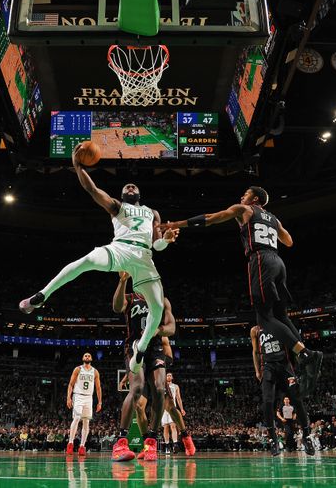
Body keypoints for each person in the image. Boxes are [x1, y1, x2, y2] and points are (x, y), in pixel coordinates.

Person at [20, 143, 179, 374]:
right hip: (120, 249)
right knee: (86, 261)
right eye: (127, 186)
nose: (131, 186)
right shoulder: (117, 206)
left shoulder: (152, 212)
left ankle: (140, 350)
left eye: (134, 185)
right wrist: (76, 165)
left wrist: (165, 239)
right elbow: (93, 190)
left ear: (139, 194)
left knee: (156, 308)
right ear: (124, 194)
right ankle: (42, 295)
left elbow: (157, 246)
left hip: (145, 255)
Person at [161, 187, 322, 396]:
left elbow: (211, 218)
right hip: (279, 263)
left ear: (254, 198)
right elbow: (289, 241)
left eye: (245, 193)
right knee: (281, 315)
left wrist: (176, 224)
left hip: (261, 259)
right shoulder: (273, 217)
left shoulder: (244, 209)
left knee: (264, 320)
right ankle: (305, 353)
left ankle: (306, 355)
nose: (241, 196)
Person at [111, 272, 176, 462]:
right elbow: (116, 307)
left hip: (154, 348)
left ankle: (151, 442)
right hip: (135, 346)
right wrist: (122, 280)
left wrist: (158, 330)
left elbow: (172, 327)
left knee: (159, 388)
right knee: (137, 388)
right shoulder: (131, 298)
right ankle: (121, 441)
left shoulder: (161, 299)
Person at [250, 324, 314, 456]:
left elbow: (294, 344)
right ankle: (273, 439)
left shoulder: (281, 326)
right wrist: (257, 371)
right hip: (267, 367)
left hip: (285, 366)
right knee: (267, 402)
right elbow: (255, 351)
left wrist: (304, 356)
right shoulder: (255, 330)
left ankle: (307, 436)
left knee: (297, 400)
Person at [65, 352, 102, 457]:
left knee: (86, 422)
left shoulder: (95, 372)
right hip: (78, 396)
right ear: (82, 358)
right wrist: (68, 397)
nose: (87, 357)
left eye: (89, 355)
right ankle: (70, 443)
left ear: (91, 358)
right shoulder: (78, 369)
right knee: (76, 418)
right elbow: (71, 384)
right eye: (85, 355)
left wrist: (100, 402)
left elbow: (98, 388)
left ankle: (82, 446)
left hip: (89, 398)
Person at [161, 373, 185, 454]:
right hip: (164, 409)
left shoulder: (175, 386)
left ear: (172, 377)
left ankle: (175, 445)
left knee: (173, 426)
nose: (169, 376)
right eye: (167, 375)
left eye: (170, 375)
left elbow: (178, 398)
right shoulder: (162, 385)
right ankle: (167, 446)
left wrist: (181, 409)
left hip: (173, 408)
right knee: (166, 428)